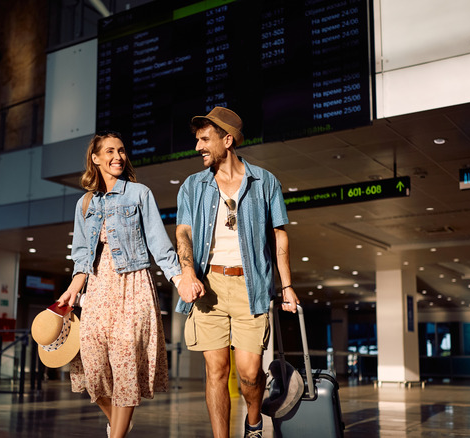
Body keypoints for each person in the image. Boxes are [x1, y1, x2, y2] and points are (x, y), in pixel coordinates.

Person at [174, 107, 299, 438]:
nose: (198, 147)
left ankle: (254, 422)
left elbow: (279, 233)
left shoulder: (264, 181)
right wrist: (188, 272)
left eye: (205, 140)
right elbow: (183, 232)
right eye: (197, 140)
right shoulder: (192, 185)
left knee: (248, 372)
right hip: (208, 284)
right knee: (216, 370)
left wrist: (286, 285)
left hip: (251, 285)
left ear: (227, 140)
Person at [56, 130, 183, 438]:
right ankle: (119, 419)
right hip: (97, 290)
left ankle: (118, 433)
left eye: (122, 150)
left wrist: (179, 277)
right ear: (95, 158)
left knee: (126, 365)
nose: (118, 156)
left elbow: (158, 242)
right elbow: (82, 255)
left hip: (133, 286)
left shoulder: (139, 194)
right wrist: (74, 286)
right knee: (92, 367)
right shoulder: (84, 204)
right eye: (110, 151)